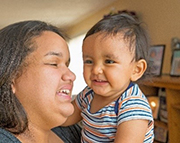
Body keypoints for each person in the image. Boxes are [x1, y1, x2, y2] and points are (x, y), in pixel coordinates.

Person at [0, 20, 81, 143]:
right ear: (12, 77)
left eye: (67, 64)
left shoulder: (68, 131)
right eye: (54, 63)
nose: (71, 75)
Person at [62, 13, 154, 143]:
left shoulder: (133, 107)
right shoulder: (88, 93)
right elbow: (66, 119)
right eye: (89, 61)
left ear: (136, 70)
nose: (95, 69)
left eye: (109, 61)